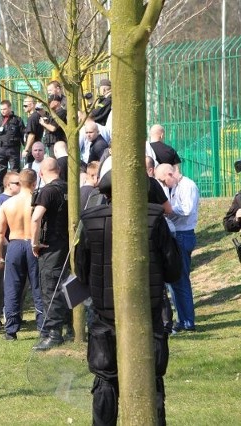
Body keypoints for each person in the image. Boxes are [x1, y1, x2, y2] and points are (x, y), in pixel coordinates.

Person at [75, 157, 181, 425]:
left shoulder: (89, 220)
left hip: (103, 313)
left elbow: (82, 272)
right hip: (148, 313)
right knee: (151, 380)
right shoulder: (155, 218)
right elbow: (173, 269)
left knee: (105, 380)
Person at [0, 169, 43, 341]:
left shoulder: (7, 204)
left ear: (20, 183)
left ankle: (11, 330)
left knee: (12, 287)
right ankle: (43, 326)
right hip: (32, 244)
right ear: (34, 183)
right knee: (38, 286)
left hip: (14, 244)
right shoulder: (38, 202)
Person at [155, 163, 199, 333]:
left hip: (184, 234)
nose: (164, 185)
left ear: (170, 174)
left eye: (164, 181)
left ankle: (188, 321)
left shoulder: (188, 186)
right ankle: (182, 320)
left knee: (181, 281)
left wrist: (168, 210)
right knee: (174, 281)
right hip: (176, 234)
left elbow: (187, 209)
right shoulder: (173, 187)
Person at [30, 158, 69, 350]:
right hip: (67, 244)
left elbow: (36, 218)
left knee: (50, 286)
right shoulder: (68, 188)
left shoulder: (48, 191)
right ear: (59, 170)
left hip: (51, 246)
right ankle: (70, 328)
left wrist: (34, 243)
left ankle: (53, 333)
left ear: (40, 173)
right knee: (66, 285)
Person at [0, 100, 25, 192]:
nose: (3, 111)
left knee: (15, 170)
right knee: (1, 170)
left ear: (10, 108)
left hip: (13, 149)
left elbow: (23, 135)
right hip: (1, 149)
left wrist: (26, 149)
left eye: (4, 109)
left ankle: (16, 189)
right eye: (1, 109)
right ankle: (1, 189)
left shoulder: (17, 120)